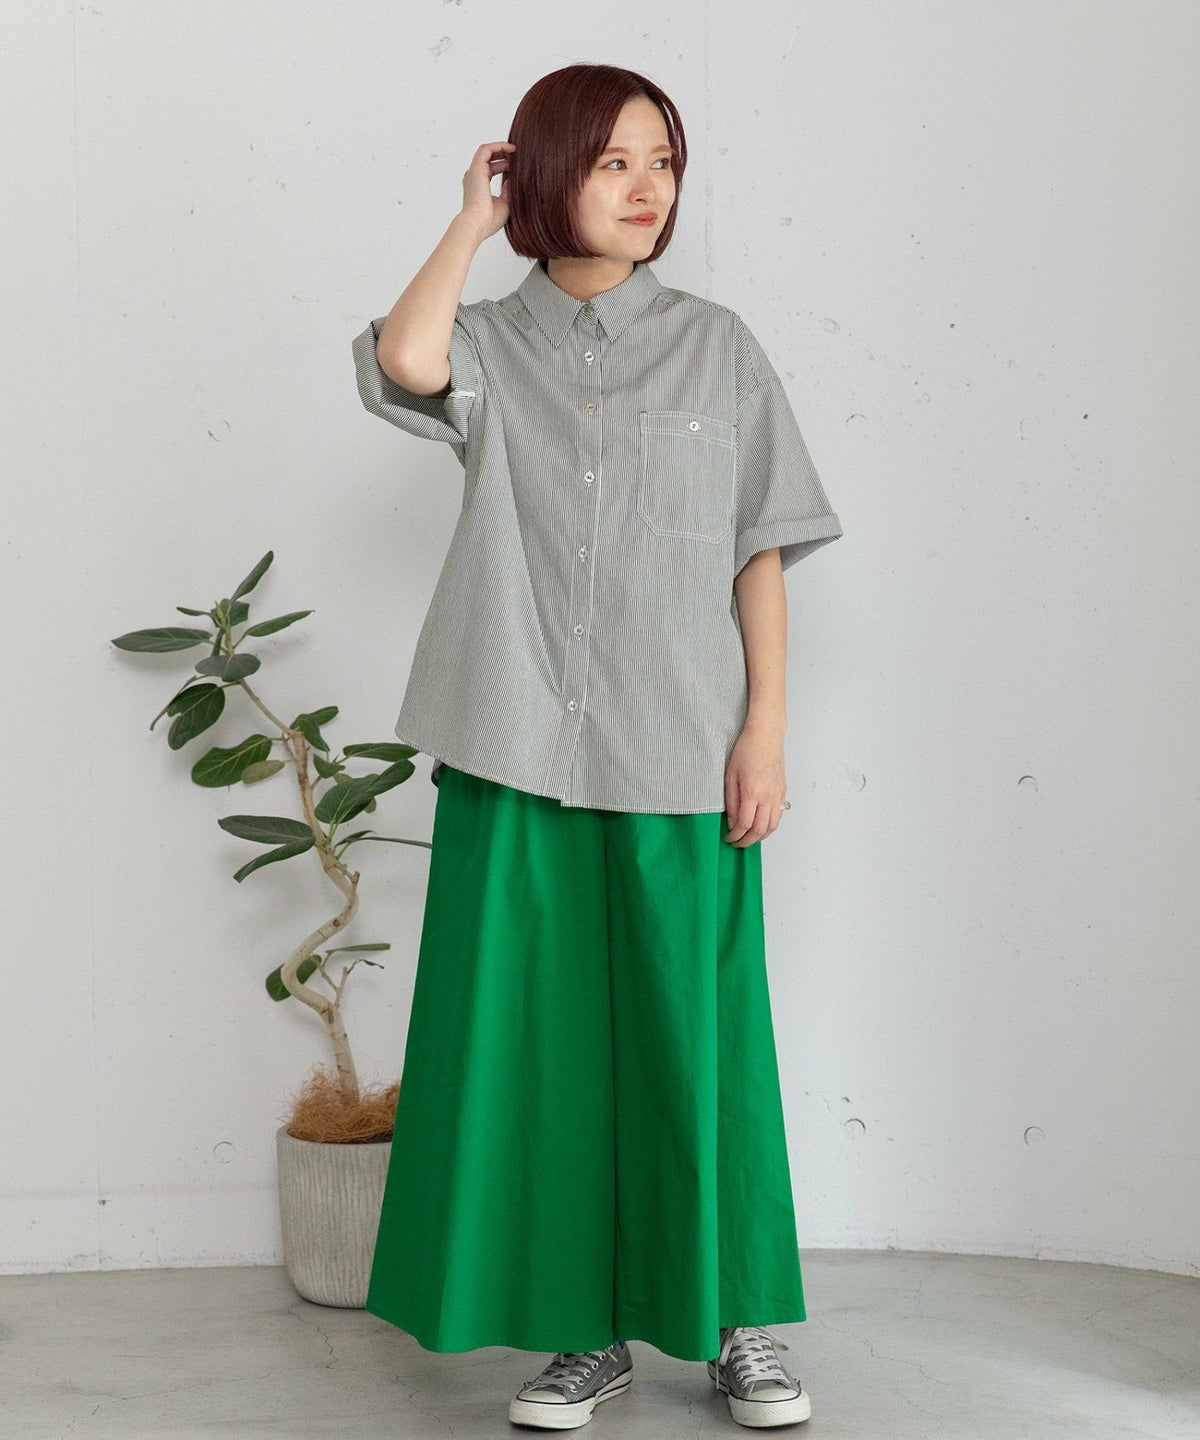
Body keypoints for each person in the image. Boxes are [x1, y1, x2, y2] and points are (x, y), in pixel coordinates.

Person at [351, 62, 843, 1431]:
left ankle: (735, 1323)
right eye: (616, 160)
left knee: (697, 1042)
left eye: (664, 163)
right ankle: (584, 1335)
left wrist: (765, 729)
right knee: (542, 1052)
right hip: (512, 741)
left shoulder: (717, 347)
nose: (647, 190)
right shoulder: (486, 345)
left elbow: (758, 548)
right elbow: (407, 363)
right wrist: (472, 218)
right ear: (548, 169)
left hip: (680, 741)